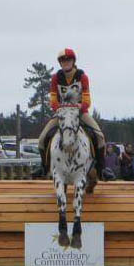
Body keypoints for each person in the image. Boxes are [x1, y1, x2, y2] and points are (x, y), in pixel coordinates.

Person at [38, 48, 106, 178]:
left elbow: (87, 99)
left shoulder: (82, 77)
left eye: (68, 60)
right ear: (60, 63)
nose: (66, 62)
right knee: (42, 139)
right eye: (63, 61)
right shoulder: (55, 78)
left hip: (80, 113)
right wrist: (60, 108)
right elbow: (53, 100)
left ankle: (101, 169)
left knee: (100, 137)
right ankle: (44, 168)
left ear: (73, 61)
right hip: (62, 114)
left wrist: (80, 106)